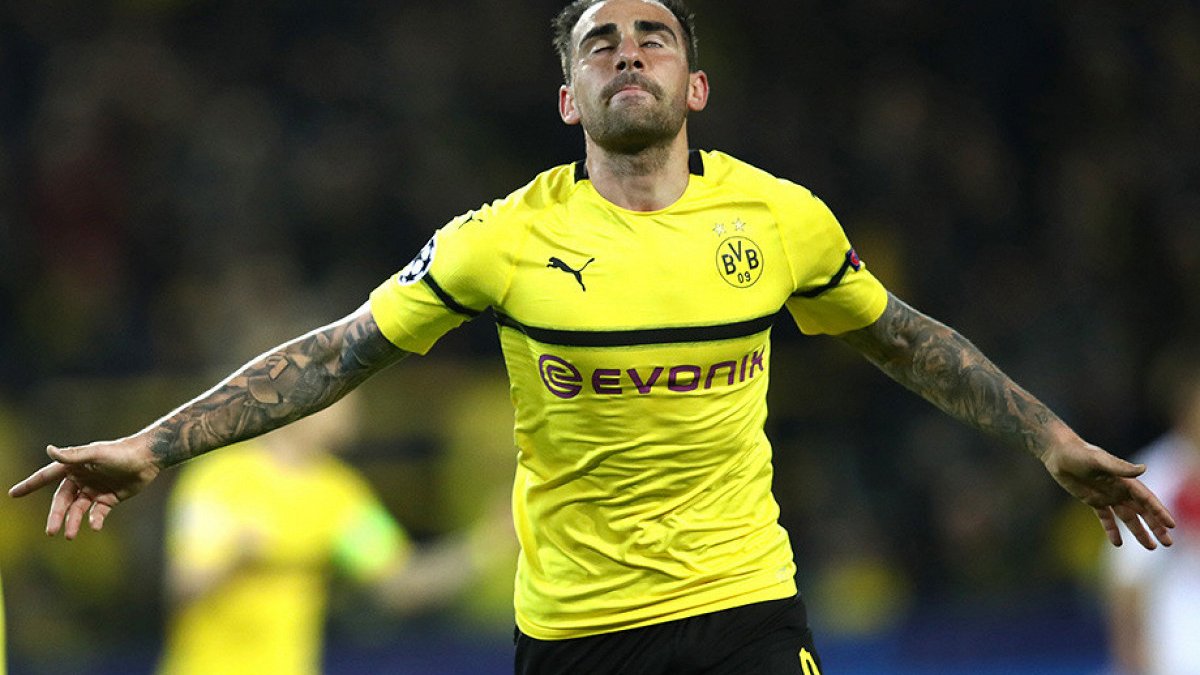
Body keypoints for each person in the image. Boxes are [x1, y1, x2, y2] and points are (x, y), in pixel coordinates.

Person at [9, 1, 1176, 673]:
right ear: (569, 97)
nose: (628, 48)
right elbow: (335, 352)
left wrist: (1050, 439)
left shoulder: (780, 220)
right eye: (600, 40)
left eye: (653, 34)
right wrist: (152, 446)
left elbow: (905, 341)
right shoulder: (500, 240)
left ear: (696, 85)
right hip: (578, 631)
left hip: (743, 608)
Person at [156, 393, 498, 675]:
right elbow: (182, 585)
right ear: (297, 397)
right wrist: (235, 556)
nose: (352, 409)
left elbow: (400, 584)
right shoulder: (220, 478)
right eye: (340, 392)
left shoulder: (339, 495)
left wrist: (490, 541)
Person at [1104, 352, 1200, 675]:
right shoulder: (1155, 481)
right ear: (1182, 411)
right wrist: (1131, 664)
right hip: (1177, 660)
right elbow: (1126, 583)